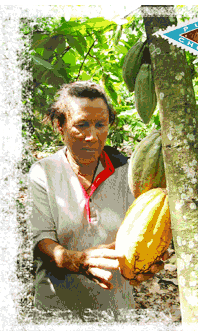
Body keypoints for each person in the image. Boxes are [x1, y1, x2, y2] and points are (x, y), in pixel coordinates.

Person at [28, 81, 168, 318]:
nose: (92, 136)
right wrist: (76, 260)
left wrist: (151, 262)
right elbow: (41, 239)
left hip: (115, 310)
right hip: (56, 311)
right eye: (81, 125)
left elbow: (149, 226)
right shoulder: (43, 172)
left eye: (100, 125)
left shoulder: (128, 172)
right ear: (60, 127)